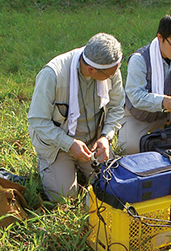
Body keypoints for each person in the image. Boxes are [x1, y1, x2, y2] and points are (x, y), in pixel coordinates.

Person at [28, 33, 124, 202]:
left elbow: (117, 106)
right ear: (91, 69)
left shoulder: (110, 68)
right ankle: (49, 165)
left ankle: (83, 166)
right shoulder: (52, 74)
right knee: (65, 198)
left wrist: (105, 137)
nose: (114, 76)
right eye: (109, 75)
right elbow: (37, 121)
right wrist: (69, 144)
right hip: (58, 146)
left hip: (93, 142)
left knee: (113, 184)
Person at [118, 13, 171, 155]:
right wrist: (162, 101)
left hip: (166, 113)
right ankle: (165, 141)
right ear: (160, 38)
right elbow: (136, 96)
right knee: (131, 148)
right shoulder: (139, 60)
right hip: (138, 115)